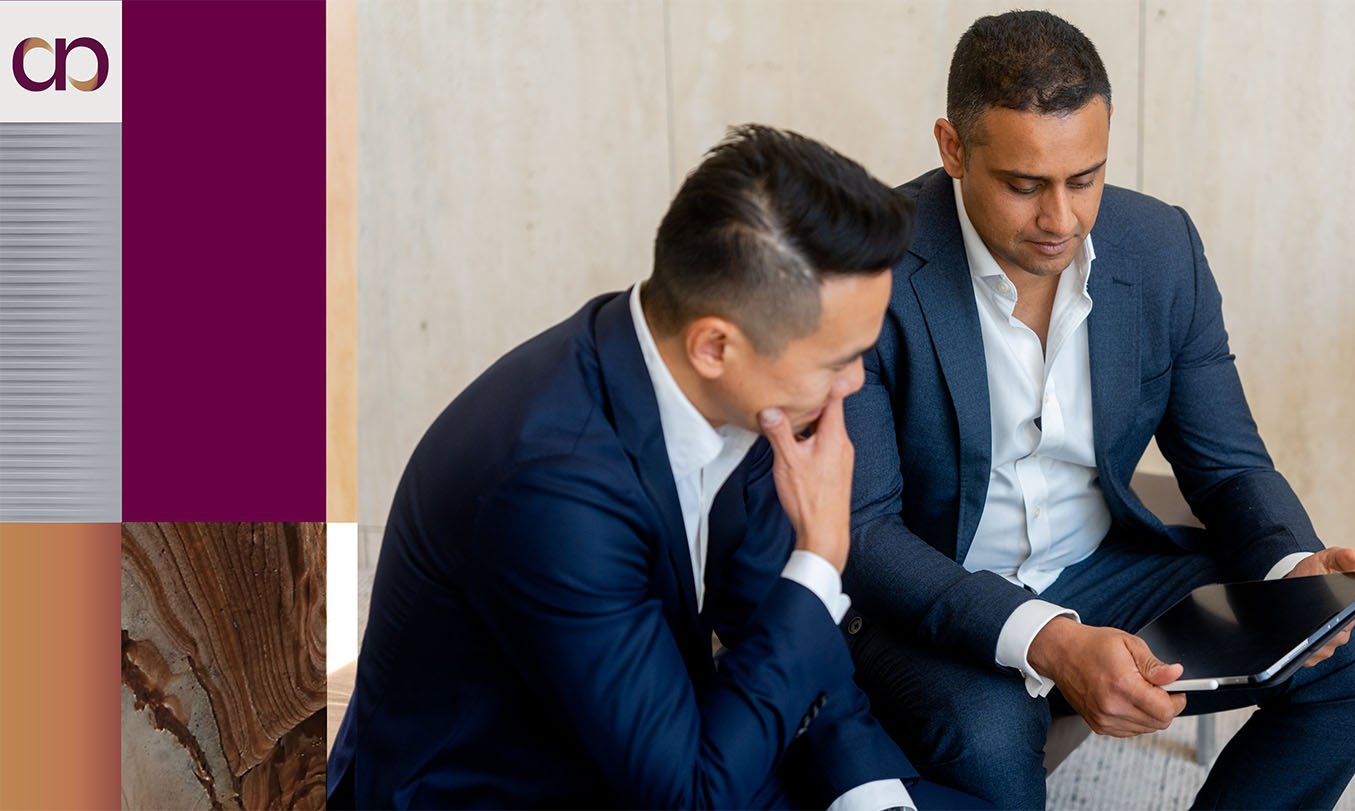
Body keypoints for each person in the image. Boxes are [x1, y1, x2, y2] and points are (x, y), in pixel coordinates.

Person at [839, 11, 1355, 809]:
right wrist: (1051, 639)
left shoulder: (1160, 245)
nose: (1062, 220)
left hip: (1104, 566)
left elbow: (1228, 463)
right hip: (935, 596)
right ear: (952, 147)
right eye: (1024, 185)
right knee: (990, 738)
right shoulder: (866, 271)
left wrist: (1293, 576)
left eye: (1086, 178)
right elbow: (863, 533)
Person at [325, 124, 972, 810]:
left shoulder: (741, 393)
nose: (853, 384)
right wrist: (819, 557)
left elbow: (770, 618)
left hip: (677, 747)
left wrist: (872, 796)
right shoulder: (551, 488)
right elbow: (688, 795)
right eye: (836, 359)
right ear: (715, 345)